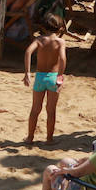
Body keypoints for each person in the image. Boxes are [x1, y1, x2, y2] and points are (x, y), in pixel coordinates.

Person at [22, 13, 66, 145]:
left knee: (35, 109)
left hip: (40, 77)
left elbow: (28, 52)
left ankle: (30, 137)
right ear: (60, 28)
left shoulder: (39, 40)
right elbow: (63, 59)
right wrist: (60, 75)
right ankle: (49, 139)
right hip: (53, 77)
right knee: (51, 110)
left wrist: (27, 72)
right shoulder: (60, 42)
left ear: (44, 27)